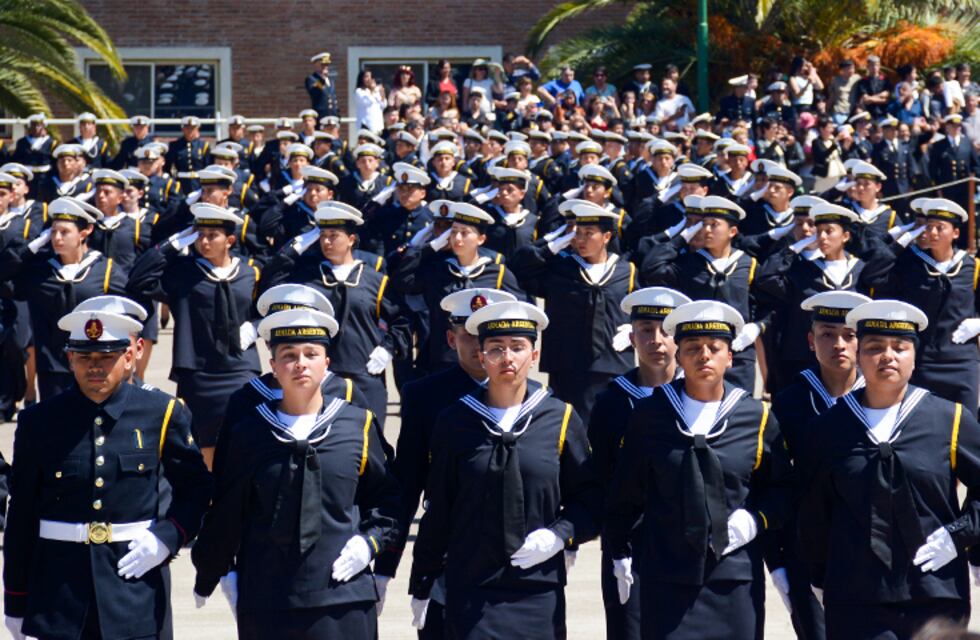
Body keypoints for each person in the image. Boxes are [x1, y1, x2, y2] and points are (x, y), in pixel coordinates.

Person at [2, 304, 210, 640]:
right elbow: (22, 515)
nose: (95, 368)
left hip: (134, 591)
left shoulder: (161, 413)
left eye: (106, 358)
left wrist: (167, 538)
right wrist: (15, 599)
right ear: (70, 359)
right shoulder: (39, 422)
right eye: (85, 358)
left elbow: (197, 488)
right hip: (59, 596)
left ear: (128, 358)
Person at [192, 306, 398, 639]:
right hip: (269, 599)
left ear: (326, 363)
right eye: (288, 355)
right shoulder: (250, 431)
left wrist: (369, 544)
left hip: (343, 596)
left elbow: (388, 499)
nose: (300, 363)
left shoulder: (357, 425)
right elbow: (227, 510)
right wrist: (215, 571)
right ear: (273, 366)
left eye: (311, 353)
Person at [409, 300, 601, 639]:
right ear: (482, 357)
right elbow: (439, 508)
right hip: (470, 588)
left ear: (535, 355)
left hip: (537, 588)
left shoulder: (559, 418)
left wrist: (559, 535)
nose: (507, 358)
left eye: (517, 348)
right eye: (496, 349)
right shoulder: (455, 421)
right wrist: (422, 580)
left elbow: (591, 500)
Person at [604, 299, 791, 640]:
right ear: (679, 355)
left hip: (734, 580)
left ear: (730, 357)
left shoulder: (756, 417)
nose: (704, 355)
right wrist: (620, 551)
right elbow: (626, 493)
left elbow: (782, 490)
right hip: (666, 576)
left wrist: (754, 521)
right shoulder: (650, 416)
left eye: (714, 348)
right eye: (692, 348)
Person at [798, 300, 980, 640]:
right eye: (875, 347)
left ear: (915, 356)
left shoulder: (950, 419)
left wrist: (960, 535)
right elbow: (813, 514)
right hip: (856, 598)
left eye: (900, 347)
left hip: (935, 593)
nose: (888, 356)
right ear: (859, 354)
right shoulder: (827, 428)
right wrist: (821, 577)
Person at [374, 288, 519, 636]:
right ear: (452, 339)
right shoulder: (425, 397)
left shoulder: (535, 399)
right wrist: (385, 566)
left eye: (487, 337)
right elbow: (408, 483)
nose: (477, 346)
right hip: (447, 546)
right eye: (468, 336)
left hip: (515, 548)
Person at [768, 290, 871, 640]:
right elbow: (772, 483)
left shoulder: (886, 397)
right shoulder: (790, 403)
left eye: (849, 336)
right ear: (811, 341)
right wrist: (776, 561)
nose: (839, 344)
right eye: (828, 335)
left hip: (873, 550)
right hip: (809, 550)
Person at [588, 286, 691, 640]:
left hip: (686, 541)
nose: (657, 340)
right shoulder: (611, 402)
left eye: (666, 331)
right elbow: (599, 475)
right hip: (628, 544)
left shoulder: (703, 398)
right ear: (631, 336)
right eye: (646, 329)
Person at [126, 203, 261, 469]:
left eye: (213, 235)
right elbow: (138, 280)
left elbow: (273, 303)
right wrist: (173, 244)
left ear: (230, 241)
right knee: (202, 448)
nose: (205, 241)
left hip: (240, 369)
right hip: (198, 374)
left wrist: (256, 325)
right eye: (200, 234)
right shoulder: (183, 272)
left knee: (244, 443)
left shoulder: (250, 272)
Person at [260, 202, 410, 427]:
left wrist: (387, 349)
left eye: (334, 235)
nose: (326, 241)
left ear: (351, 239)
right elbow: (271, 281)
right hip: (323, 380)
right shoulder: (308, 278)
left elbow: (402, 322)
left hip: (366, 377)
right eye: (322, 235)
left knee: (375, 447)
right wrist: (297, 246)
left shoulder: (376, 280)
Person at [512, 201, 637, 421]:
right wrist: (553, 244)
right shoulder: (560, 268)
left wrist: (633, 329)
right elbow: (520, 268)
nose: (580, 240)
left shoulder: (627, 271)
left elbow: (642, 308)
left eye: (589, 233)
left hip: (613, 364)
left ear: (606, 237)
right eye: (577, 233)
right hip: (568, 366)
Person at [0, 196, 127, 400]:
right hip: (53, 370)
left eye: (65, 232)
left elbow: (128, 312)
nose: (57, 238)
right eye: (53, 232)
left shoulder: (106, 270)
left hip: (96, 367)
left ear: (85, 232)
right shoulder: (40, 273)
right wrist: (30, 248)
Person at [756, 203, 890, 393]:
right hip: (803, 357)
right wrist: (794, 247)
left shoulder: (861, 270)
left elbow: (886, 257)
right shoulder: (804, 270)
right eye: (818, 232)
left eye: (829, 231)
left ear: (845, 236)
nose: (822, 237)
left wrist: (860, 228)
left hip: (849, 358)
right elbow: (765, 277)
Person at [640, 195, 766, 392]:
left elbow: (766, 304)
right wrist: (682, 237)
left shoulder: (748, 265)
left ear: (732, 231)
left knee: (738, 412)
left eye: (714, 225)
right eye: (703, 224)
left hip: (738, 354)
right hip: (698, 352)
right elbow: (651, 268)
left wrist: (758, 327)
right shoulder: (690, 264)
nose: (706, 230)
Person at [875, 199, 980, 414]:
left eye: (939, 228)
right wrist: (899, 243)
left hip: (962, 362)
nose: (932, 232)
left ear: (955, 234)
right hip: (924, 361)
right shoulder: (912, 264)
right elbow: (873, 276)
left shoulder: (973, 267)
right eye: (928, 226)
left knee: (968, 425)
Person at [392, 201, 523, 373]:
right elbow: (402, 281)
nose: (457, 238)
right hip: (443, 358)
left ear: (481, 239)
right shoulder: (438, 270)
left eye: (465, 233)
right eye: (453, 232)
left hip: (486, 359)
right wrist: (429, 247)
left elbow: (519, 312)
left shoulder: (497, 273)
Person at [306, 51, 340, 119]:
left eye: (327, 65)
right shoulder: (312, 79)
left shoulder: (330, 80)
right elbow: (316, 92)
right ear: (316, 65)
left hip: (333, 116)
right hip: (321, 117)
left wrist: (337, 114)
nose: (325, 67)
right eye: (323, 65)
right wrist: (322, 78)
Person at [354, 68, 387, 134]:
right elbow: (367, 102)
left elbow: (383, 105)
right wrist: (372, 90)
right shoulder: (359, 91)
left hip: (378, 125)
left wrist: (382, 94)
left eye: (370, 77)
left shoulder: (376, 90)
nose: (369, 79)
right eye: (366, 76)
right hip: (366, 125)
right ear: (361, 78)